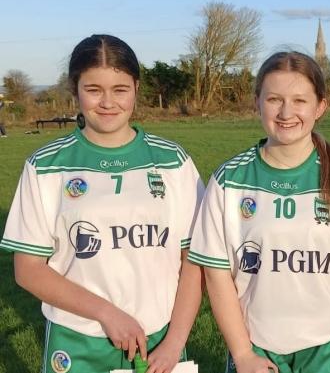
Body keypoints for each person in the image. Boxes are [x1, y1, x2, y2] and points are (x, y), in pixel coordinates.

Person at [0, 34, 204, 373]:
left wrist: (174, 342)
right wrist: (107, 313)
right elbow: (28, 270)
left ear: (137, 88)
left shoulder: (173, 161)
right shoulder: (47, 164)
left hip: (159, 340)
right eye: (93, 89)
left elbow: (193, 264)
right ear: (75, 89)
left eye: (120, 89)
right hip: (77, 338)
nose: (107, 102)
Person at [189, 51, 330, 373]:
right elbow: (217, 275)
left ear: (320, 106)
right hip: (257, 346)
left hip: (329, 346)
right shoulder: (230, 180)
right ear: (257, 102)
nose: (286, 112)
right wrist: (242, 354)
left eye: (299, 100)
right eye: (274, 99)